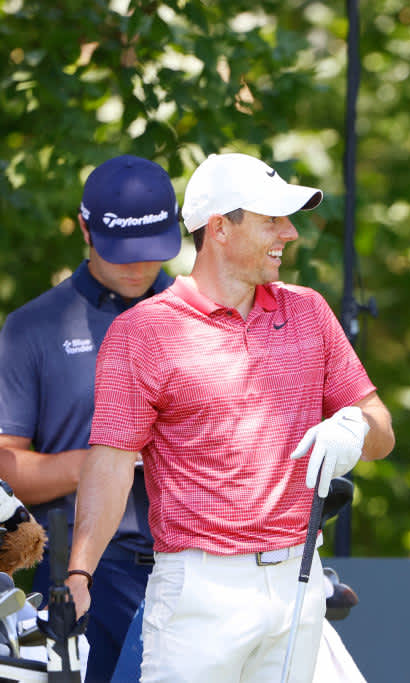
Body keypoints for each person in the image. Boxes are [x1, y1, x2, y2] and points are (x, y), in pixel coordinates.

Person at [66, 152, 395, 682]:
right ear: (219, 227)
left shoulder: (308, 311)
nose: (289, 233)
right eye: (272, 220)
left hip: (296, 583)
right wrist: (81, 571)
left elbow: (381, 429)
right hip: (198, 595)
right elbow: (109, 466)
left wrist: (357, 429)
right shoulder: (144, 333)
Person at [0, 154, 182, 681]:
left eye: (150, 250)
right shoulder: (33, 326)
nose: (137, 265)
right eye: (119, 250)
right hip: (83, 576)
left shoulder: (207, 318)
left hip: (199, 568)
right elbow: (6, 472)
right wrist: (107, 461)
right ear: (85, 228)